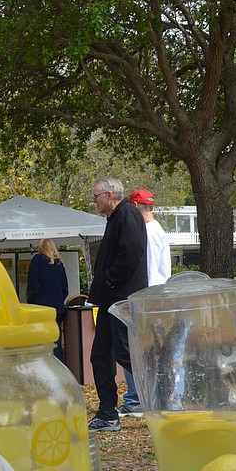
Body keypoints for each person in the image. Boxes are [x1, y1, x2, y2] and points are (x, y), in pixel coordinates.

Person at [87, 177, 147, 432]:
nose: (94, 201)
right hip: (109, 300)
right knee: (100, 355)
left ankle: (169, 400)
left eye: (96, 197)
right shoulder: (116, 218)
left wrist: (110, 279)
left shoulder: (127, 216)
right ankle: (107, 414)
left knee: (126, 354)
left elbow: (132, 252)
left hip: (121, 299)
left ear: (109, 194)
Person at [116, 189, 172, 418]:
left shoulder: (145, 232)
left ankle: (136, 398)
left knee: (135, 347)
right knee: (155, 349)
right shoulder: (159, 230)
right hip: (159, 295)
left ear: (137, 207)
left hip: (144, 296)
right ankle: (156, 395)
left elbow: (145, 268)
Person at [26, 238, 69, 360]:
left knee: (41, 339)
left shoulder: (37, 260)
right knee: (56, 339)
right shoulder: (59, 263)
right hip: (57, 308)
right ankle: (58, 364)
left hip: (41, 307)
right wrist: (59, 300)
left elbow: (33, 283)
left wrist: (32, 300)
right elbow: (65, 288)